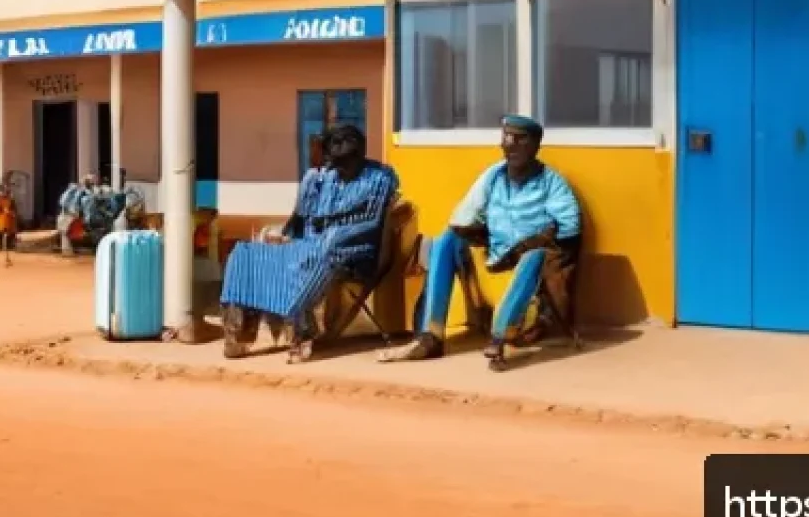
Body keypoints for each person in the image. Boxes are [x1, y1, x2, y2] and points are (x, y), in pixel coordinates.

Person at [381, 114, 580, 371]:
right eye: (507, 139)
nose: (511, 146)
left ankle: (499, 341)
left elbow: (570, 228)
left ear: (535, 146)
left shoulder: (551, 183)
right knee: (446, 240)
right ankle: (429, 338)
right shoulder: (494, 176)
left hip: (528, 285)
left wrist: (533, 241)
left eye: (520, 140)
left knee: (535, 255)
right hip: (493, 268)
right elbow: (461, 218)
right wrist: (478, 231)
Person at [220, 124, 397, 364]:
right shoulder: (326, 178)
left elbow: (373, 223)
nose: (340, 168)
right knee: (245, 252)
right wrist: (287, 237)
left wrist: (332, 237)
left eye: (346, 162)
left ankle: (302, 332)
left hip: (354, 250)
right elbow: (307, 221)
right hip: (312, 244)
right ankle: (238, 331)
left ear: (359, 156)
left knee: (319, 254)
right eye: (337, 162)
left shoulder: (380, 178)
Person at [0, 181, 18, 267]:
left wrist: (12, 213)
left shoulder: (10, 199)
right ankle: (6, 257)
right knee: (3, 237)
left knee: (6, 237)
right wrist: (6, 212)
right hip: (1, 220)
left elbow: (13, 210)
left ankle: (6, 257)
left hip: (7, 221)